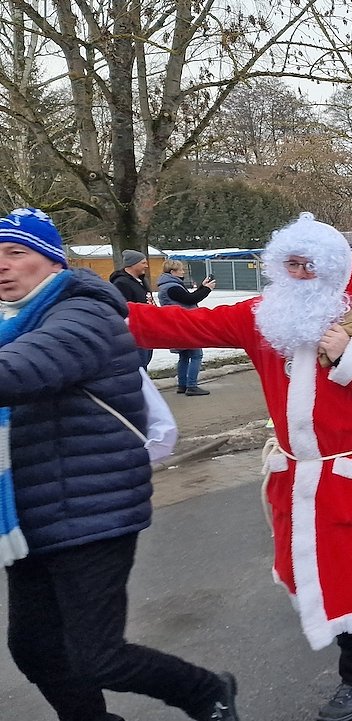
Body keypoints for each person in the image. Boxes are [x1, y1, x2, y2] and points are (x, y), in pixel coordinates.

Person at [128, 213, 352, 720]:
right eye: (290, 263)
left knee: (350, 576)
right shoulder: (265, 316)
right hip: (294, 473)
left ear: (334, 267)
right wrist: (99, 311)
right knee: (304, 568)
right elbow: (184, 324)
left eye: (310, 264)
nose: (299, 273)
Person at [0, 208, 240, 721]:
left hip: (92, 508)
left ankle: (206, 692)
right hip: (31, 515)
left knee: (97, 655)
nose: (3, 265)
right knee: (35, 648)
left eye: (16, 252)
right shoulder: (14, 321)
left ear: (53, 260)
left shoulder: (82, 314)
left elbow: (19, 371)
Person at [155, 259, 217, 395]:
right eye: (181, 270)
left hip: (177, 325)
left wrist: (202, 287)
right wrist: (207, 289)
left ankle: (182, 385)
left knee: (184, 355)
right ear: (173, 272)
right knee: (196, 355)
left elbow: (187, 298)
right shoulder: (173, 287)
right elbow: (190, 300)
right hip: (184, 325)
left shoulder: (169, 286)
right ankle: (192, 386)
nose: (183, 272)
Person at [110, 248, 153, 366]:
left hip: (146, 330)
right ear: (133, 264)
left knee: (145, 362)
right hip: (134, 333)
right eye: (143, 263)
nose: (146, 266)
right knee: (139, 365)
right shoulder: (121, 283)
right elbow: (123, 309)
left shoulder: (142, 281)